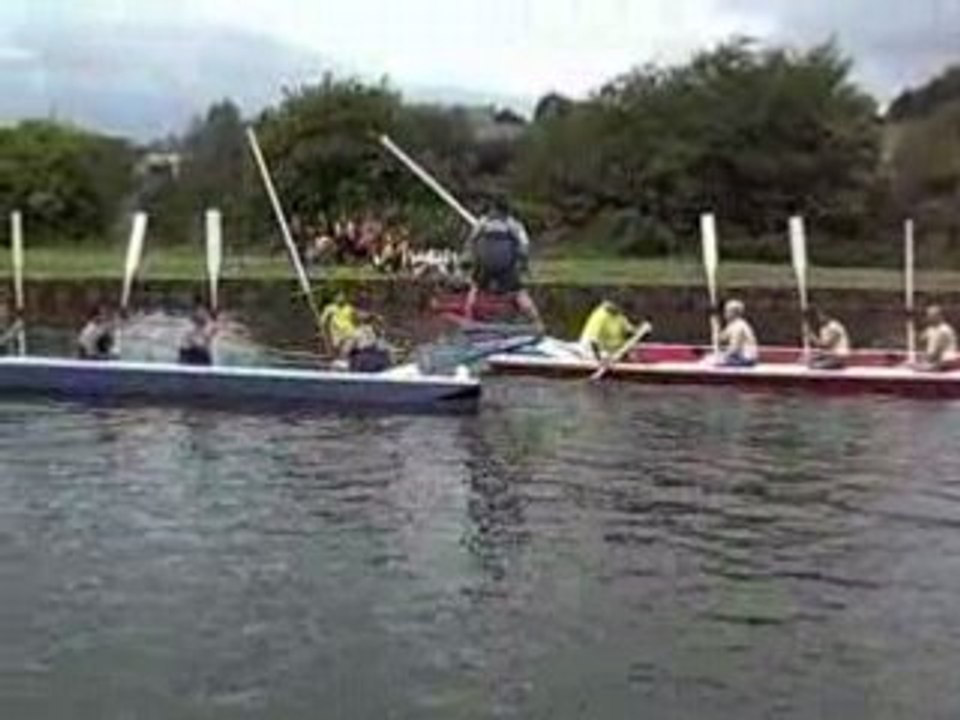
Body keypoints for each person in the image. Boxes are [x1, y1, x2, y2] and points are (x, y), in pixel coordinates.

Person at [463, 196, 543, 330]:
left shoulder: (483, 223)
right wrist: (524, 264)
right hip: (498, 266)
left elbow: (471, 242)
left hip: (491, 266)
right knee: (518, 293)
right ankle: (537, 324)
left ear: (496, 209)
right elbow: (524, 245)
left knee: (475, 290)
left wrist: (471, 259)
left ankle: (468, 321)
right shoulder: (513, 225)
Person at [579, 300, 645, 359]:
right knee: (605, 355)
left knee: (634, 356)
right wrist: (599, 358)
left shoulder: (619, 315)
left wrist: (642, 329)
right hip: (597, 352)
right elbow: (592, 341)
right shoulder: (600, 315)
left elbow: (631, 331)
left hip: (615, 351)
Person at [716, 299, 758, 367]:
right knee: (713, 359)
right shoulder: (732, 325)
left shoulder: (739, 326)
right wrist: (716, 328)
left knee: (715, 361)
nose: (724, 314)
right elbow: (721, 338)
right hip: (740, 357)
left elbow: (734, 348)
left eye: (726, 311)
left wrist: (722, 357)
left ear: (734, 313)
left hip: (746, 359)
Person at [918, 305, 958, 371]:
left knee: (918, 368)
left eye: (932, 316)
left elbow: (936, 353)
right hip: (935, 361)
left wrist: (925, 361)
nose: (929, 318)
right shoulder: (930, 329)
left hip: (946, 363)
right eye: (928, 316)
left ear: (939, 316)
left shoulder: (944, 330)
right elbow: (921, 340)